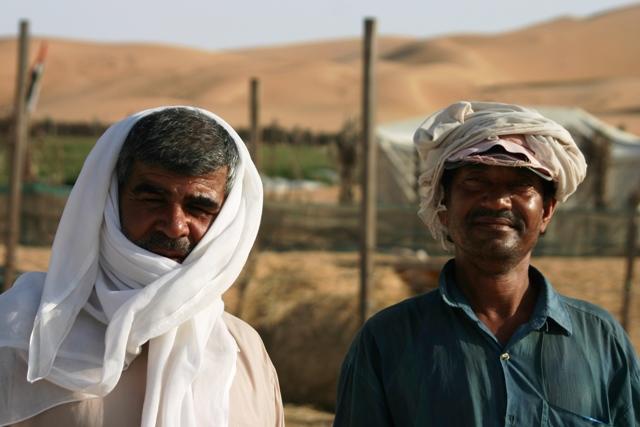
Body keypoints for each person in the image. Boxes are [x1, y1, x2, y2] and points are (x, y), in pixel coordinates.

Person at [334, 101, 640, 426]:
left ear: (547, 211)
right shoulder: (387, 342)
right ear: (444, 209)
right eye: (475, 184)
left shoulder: (601, 340)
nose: (497, 201)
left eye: (520, 185)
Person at [0, 107, 284, 426]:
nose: (175, 226)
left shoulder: (244, 351)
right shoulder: (18, 337)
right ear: (109, 200)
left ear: (226, 217)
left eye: (199, 207)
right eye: (152, 199)